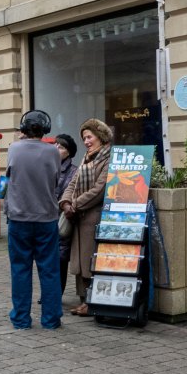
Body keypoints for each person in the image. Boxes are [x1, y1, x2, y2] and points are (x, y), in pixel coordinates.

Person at [4, 110, 62, 330]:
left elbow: (9, 178)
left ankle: (21, 319)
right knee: (49, 270)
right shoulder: (53, 151)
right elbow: (56, 181)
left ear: (23, 128)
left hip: (19, 217)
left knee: (20, 269)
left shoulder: (14, 148)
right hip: (46, 217)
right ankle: (51, 319)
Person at [59, 118, 113, 317]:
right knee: (80, 263)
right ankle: (84, 300)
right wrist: (65, 202)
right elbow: (72, 183)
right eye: (84, 138)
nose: (86, 141)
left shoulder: (108, 159)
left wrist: (74, 205)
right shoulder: (86, 159)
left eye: (89, 137)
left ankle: (93, 301)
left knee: (91, 261)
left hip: (93, 218)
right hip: (78, 217)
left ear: (100, 136)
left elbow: (99, 190)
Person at [54, 134, 78, 295]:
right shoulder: (48, 166)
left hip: (61, 219)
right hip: (46, 219)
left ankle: (57, 293)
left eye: (61, 147)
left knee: (60, 259)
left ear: (69, 152)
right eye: (55, 144)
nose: (56, 148)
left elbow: (68, 194)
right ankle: (50, 292)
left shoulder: (74, 171)